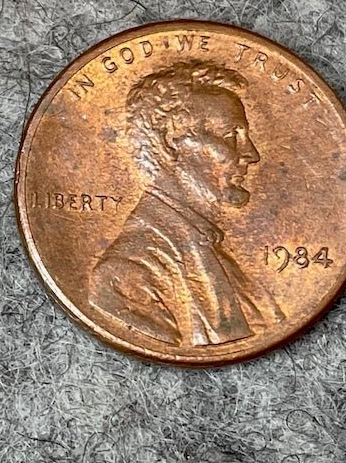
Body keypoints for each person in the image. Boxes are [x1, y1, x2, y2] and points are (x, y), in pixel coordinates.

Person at [88, 62, 283, 346]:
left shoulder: (210, 250)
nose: (251, 154)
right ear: (170, 142)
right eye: (230, 136)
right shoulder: (127, 273)